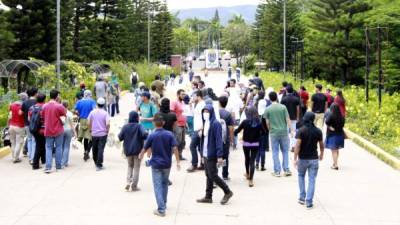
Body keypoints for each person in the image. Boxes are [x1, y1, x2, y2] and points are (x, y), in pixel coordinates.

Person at [139, 113, 180, 217]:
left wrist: (141, 155)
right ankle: (164, 203)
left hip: (156, 165)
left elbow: (145, 148)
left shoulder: (152, 135)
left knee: (157, 186)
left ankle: (161, 209)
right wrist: (178, 162)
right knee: (164, 184)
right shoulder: (169, 134)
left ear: (153, 123)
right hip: (167, 164)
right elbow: (175, 148)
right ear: (164, 123)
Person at [196, 104, 233, 205]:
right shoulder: (205, 123)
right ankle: (208, 196)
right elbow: (204, 140)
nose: (205, 114)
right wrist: (202, 155)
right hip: (205, 153)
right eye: (204, 112)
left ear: (211, 112)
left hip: (212, 154)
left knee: (213, 175)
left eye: (207, 112)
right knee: (208, 174)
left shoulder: (215, 124)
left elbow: (218, 140)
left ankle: (227, 191)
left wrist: (219, 155)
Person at [293, 112, 324, 209]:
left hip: (302, 159)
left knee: (301, 176)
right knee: (312, 180)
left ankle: (302, 198)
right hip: (314, 159)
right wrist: (322, 153)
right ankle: (309, 202)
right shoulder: (318, 131)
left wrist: (295, 158)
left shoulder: (301, 131)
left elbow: (297, 145)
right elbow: (321, 144)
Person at [263, 91, 292, 177]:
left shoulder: (268, 109)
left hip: (273, 132)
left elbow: (267, 122)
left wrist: (270, 130)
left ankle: (277, 171)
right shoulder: (283, 107)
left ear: (269, 98)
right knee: (285, 151)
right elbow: (287, 119)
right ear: (276, 97)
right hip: (284, 132)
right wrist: (291, 130)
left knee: (275, 152)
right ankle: (286, 169)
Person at [118, 111, 148, 192]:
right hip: (138, 150)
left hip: (128, 150)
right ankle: (134, 186)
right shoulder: (139, 126)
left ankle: (128, 182)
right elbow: (145, 134)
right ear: (137, 118)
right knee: (136, 168)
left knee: (130, 166)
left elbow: (120, 137)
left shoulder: (125, 126)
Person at [234, 107, 263, 187]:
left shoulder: (245, 122)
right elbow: (263, 132)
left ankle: (247, 173)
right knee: (252, 161)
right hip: (255, 144)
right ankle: (251, 180)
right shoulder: (259, 122)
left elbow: (237, 130)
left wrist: (233, 133)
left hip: (246, 143)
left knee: (247, 158)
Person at [42, 89, 67, 173]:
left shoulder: (44, 106)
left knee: (48, 148)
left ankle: (48, 167)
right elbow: (64, 115)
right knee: (59, 147)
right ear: (57, 96)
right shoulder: (59, 106)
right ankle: (58, 166)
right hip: (58, 130)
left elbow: (42, 116)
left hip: (48, 129)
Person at [88, 97, 110, 171]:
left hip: (94, 133)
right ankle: (99, 164)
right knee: (101, 149)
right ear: (103, 105)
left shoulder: (92, 112)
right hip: (103, 134)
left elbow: (88, 122)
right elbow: (107, 124)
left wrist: (90, 129)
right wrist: (107, 131)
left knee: (94, 148)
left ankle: (96, 162)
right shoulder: (105, 113)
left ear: (97, 104)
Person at [75, 90, 96, 161]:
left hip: (82, 120)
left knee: (85, 137)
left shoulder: (79, 102)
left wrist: (79, 114)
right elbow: (94, 110)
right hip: (90, 120)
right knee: (92, 137)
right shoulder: (92, 101)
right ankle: (88, 151)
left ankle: (85, 151)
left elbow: (76, 111)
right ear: (90, 94)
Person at [187, 90, 206, 172]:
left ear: (198, 96)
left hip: (199, 129)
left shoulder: (202, 104)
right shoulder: (197, 104)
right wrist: (190, 105)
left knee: (192, 146)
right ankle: (202, 164)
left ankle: (194, 164)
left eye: (194, 96)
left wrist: (201, 128)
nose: (193, 98)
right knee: (199, 147)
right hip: (197, 128)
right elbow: (192, 114)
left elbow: (204, 118)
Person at [218, 96, 234, 180]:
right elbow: (231, 128)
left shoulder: (215, 112)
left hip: (216, 139)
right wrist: (231, 140)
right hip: (225, 139)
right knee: (225, 157)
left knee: (216, 156)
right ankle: (224, 174)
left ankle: (216, 174)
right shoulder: (228, 114)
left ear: (219, 103)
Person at [325, 103, 345, 170]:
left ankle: (335, 165)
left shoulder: (331, 115)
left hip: (332, 135)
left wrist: (330, 127)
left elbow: (326, 122)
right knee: (337, 150)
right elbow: (343, 125)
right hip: (340, 134)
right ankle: (335, 162)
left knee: (334, 150)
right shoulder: (342, 116)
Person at [8, 93, 28, 163]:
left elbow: (9, 116)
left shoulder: (12, 105)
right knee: (19, 143)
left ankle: (13, 157)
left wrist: (8, 124)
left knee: (13, 142)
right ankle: (16, 158)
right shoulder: (24, 106)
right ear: (25, 98)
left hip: (11, 126)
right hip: (20, 126)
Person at [281, 86, 300, 151]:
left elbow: (282, 109)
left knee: (285, 132)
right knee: (293, 132)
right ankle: (293, 146)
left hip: (285, 117)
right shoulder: (296, 99)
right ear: (292, 91)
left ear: (286, 91)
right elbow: (297, 109)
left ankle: (286, 146)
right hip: (293, 118)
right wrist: (297, 117)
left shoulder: (284, 99)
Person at [30, 93, 46, 170]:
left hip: (34, 129)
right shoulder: (44, 107)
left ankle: (44, 160)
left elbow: (29, 118)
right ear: (44, 99)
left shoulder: (32, 107)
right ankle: (35, 164)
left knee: (41, 145)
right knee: (39, 146)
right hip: (42, 129)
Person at [21, 87, 38, 161]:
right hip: (35, 125)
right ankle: (33, 158)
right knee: (34, 140)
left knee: (30, 139)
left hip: (27, 124)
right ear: (35, 93)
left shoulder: (25, 102)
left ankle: (30, 157)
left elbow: (20, 113)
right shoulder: (37, 101)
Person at [256, 91, 271, 171]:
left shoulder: (256, 114)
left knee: (257, 149)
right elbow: (268, 125)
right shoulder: (266, 115)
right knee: (262, 149)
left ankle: (257, 163)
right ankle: (262, 165)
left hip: (256, 134)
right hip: (264, 133)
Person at [171, 89, 187, 160]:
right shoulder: (174, 102)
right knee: (177, 141)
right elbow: (171, 112)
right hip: (177, 124)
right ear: (178, 95)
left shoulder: (183, 102)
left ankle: (180, 155)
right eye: (182, 94)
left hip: (183, 124)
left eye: (184, 94)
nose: (184, 95)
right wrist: (174, 122)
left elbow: (183, 113)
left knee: (183, 142)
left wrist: (186, 122)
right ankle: (169, 156)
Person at [61, 101, 76, 168]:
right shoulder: (70, 113)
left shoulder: (60, 112)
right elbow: (72, 124)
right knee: (67, 146)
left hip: (61, 130)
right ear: (67, 106)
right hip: (69, 130)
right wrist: (74, 132)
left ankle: (61, 161)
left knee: (61, 146)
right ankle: (65, 162)